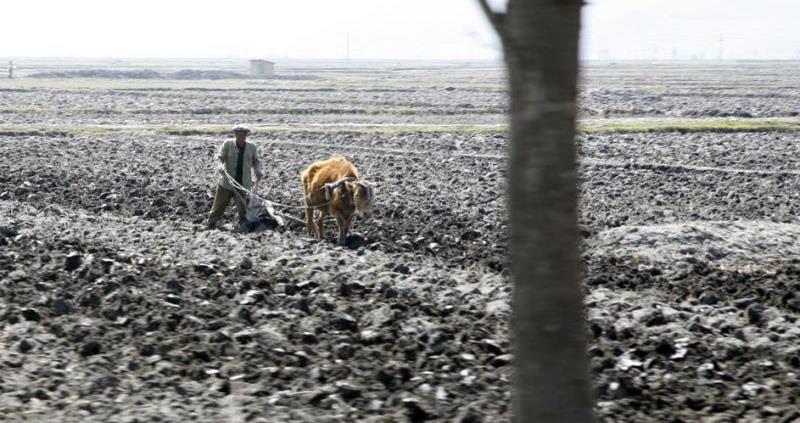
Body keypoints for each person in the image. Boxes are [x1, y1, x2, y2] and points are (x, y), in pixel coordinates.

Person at [207, 125, 264, 229]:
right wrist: (220, 165)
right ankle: (211, 223)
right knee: (219, 206)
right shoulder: (228, 144)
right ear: (235, 135)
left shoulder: (252, 147)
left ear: (246, 136)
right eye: (238, 136)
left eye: (243, 136)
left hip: (242, 183)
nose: (240, 138)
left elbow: (256, 161)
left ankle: (243, 225)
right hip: (226, 183)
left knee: (242, 208)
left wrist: (258, 171)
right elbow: (220, 157)